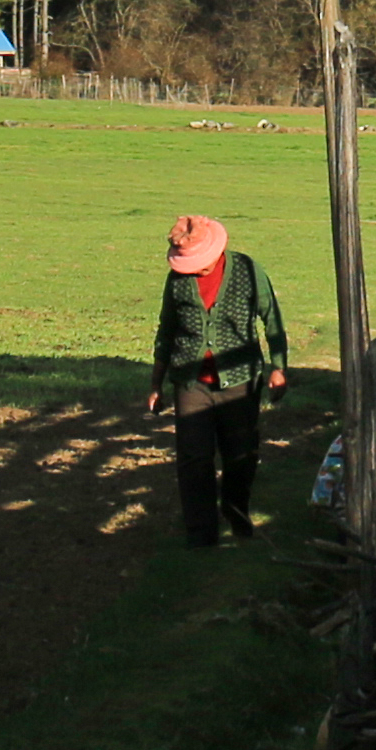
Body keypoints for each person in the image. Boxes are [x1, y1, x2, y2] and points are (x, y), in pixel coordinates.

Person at [146, 212, 288, 547]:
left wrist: (279, 366)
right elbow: (166, 330)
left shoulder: (248, 271)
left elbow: (272, 319)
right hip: (191, 381)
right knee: (194, 458)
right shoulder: (178, 280)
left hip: (239, 380)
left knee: (241, 454)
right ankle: (201, 533)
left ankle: (236, 512)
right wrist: (156, 383)